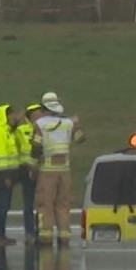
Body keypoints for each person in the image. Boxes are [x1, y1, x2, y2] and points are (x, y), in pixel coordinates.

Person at [34, 91, 83, 245]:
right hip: (65, 171)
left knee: (46, 205)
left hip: (47, 171)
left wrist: (32, 166)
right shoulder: (68, 123)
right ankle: (64, 237)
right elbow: (81, 139)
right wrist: (76, 124)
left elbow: (35, 148)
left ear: (44, 108)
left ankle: (46, 238)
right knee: (63, 205)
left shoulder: (40, 124)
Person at [0, 103, 23, 246]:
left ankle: (0, 235)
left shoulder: (7, 131)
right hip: (1, 176)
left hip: (6, 175)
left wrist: (18, 121)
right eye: (11, 114)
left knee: (4, 206)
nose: (13, 116)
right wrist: (6, 177)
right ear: (4, 116)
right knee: (1, 207)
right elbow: (1, 155)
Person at [13, 103, 44, 243]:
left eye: (40, 113)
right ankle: (29, 232)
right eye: (35, 114)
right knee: (28, 203)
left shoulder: (45, 129)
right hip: (26, 170)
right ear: (30, 116)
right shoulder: (21, 129)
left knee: (43, 203)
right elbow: (10, 134)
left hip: (42, 169)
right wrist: (16, 120)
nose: (38, 116)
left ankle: (42, 230)